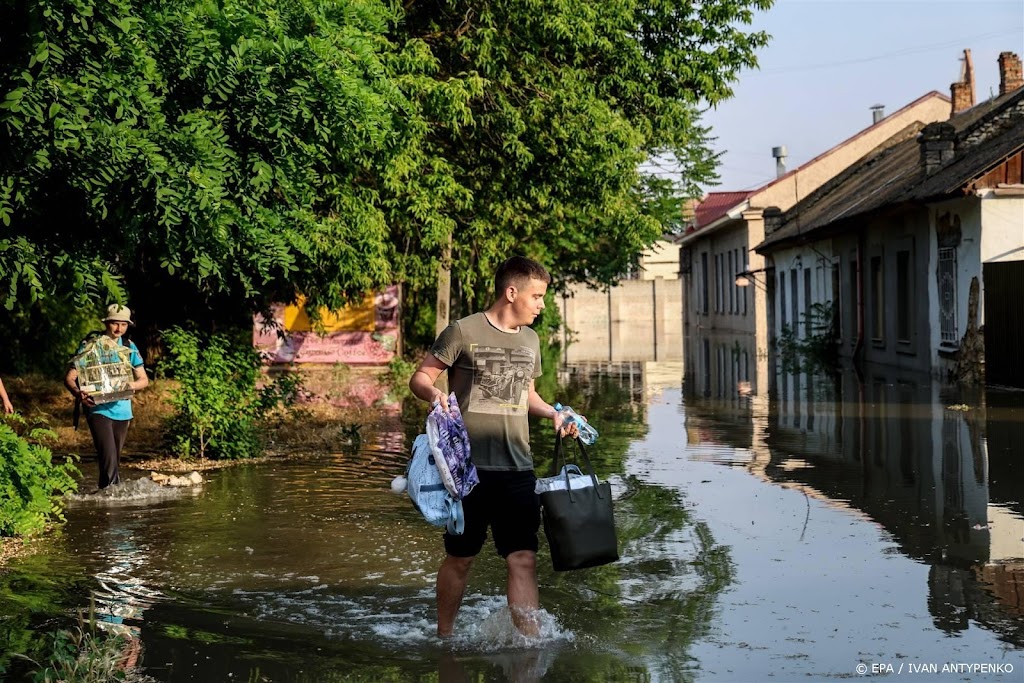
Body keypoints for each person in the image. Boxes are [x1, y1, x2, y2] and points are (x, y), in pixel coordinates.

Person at [409, 256, 577, 638]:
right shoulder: (462, 331)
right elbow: (421, 375)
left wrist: (553, 413)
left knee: (523, 558)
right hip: (466, 472)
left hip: (518, 468)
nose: (542, 304)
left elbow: (526, 395)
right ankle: (445, 636)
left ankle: (529, 647)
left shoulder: (531, 340)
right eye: (537, 296)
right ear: (511, 292)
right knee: (461, 558)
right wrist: (432, 392)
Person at [64, 304, 149, 489]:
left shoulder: (129, 346)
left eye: (123, 325)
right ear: (107, 323)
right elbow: (70, 378)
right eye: (114, 324)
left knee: (111, 462)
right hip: (98, 409)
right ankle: (113, 501)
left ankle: (105, 504)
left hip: (123, 411)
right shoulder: (90, 345)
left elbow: (144, 379)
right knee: (109, 458)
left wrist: (130, 385)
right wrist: (79, 394)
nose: (119, 328)